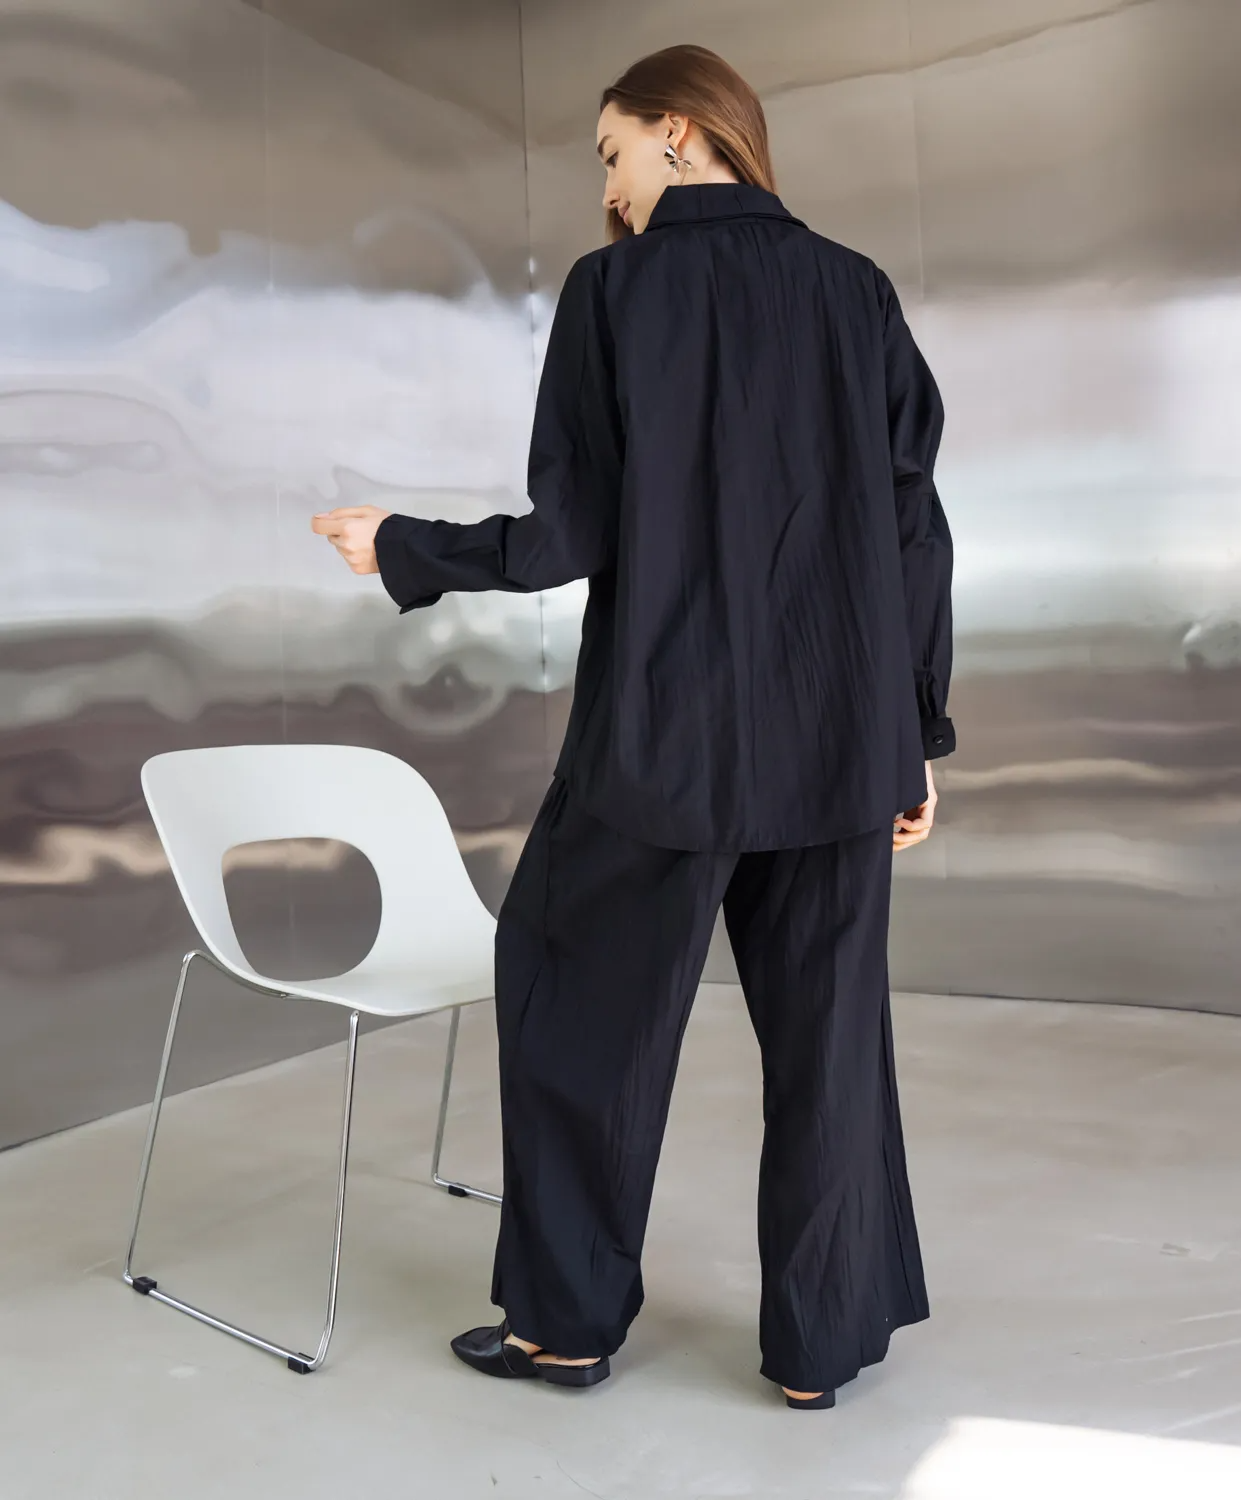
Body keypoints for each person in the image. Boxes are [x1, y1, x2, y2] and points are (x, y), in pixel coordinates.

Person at [313, 43, 954, 1411]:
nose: (607, 188)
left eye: (611, 152)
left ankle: (565, 1325)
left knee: (574, 1010)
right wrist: (915, 735)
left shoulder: (614, 296)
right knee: (832, 1046)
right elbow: (915, 527)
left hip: (663, 743)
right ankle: (819, 1351)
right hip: (841, 748)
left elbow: (571, 534)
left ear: (679, 129)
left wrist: (405, 545)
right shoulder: (856, 290)